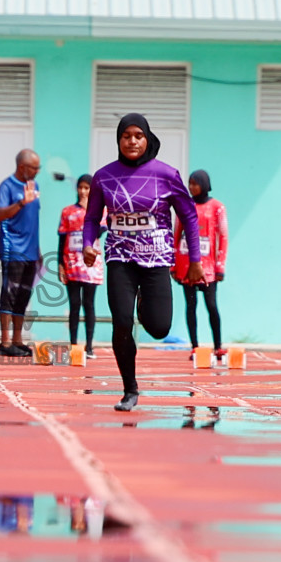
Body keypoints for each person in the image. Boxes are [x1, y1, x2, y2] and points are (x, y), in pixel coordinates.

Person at [83, 115, 204, 411]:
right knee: (122, 323)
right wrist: (89, 244)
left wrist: (196, 260)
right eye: (126, 135)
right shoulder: (103, 177)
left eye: (138, 135)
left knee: (160, 327)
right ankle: (129, 389)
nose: (132, 141)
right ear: (118, 140)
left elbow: (188, 215)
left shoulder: (166, 174)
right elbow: (91, 217)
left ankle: (143, 302)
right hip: (119, 258)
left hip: (156, 259)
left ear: (147, 139)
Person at [173, 169, 228, 361]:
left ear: (205, 184)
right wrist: (173, 264)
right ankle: (194, 347)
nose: (192, 187)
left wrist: (220, 266)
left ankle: (218, 346)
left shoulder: (217, 207)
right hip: (186, 265)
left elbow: (223, 237)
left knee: (211, 305)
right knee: (191, 306)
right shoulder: (184, 205)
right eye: (190, 183)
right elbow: (176, 234)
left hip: (208, 267)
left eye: (196, 183)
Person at [0, 150, 43, 357]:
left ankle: (17, 340)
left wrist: (38, 249)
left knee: (24, 295)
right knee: (10, 294)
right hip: (12, 248)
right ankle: (5, 343)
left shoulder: (35, 187)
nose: (37, 172)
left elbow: (33, 220)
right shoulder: (7, 187)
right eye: (34, 168)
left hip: (31, 251)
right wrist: (22, 202)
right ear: (22, 167)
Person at [57, 174, 102, 359]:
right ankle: (74, 345)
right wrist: (60, 264)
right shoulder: (67, 212)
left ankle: (89, 346)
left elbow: (101, 231)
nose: (83, 191)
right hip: (72, 263)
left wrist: (88, 209)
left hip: (91, 264)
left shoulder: (99, 211)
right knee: (74, 304)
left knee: (89, 304)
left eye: (87, 188)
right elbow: (62, 239)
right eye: (80, 187)